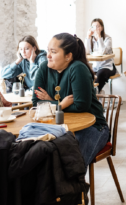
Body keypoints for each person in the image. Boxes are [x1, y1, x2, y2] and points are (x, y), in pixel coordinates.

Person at [32, 33, 109, 166]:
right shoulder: (44, 68)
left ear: (68, 56)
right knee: (37, 154)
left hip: (91, 127)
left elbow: (81, 106)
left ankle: (75, 187)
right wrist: (60, 104)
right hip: (59, 127)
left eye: (53, 52)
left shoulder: (77, 68)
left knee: (72, 164)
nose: (48, 55)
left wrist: (53, 104)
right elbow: (37, 104)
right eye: (48, 50)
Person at [86, 18, 117, 93]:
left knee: (101, 74)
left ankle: (96, 92)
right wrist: (88, 37)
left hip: (108, 66)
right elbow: (87, 52)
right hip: (95, 66)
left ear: (102, 28)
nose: (96, 28)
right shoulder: (91, 39)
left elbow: (103, 52)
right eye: (94, 26)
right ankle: (95, 92)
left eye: (98, 26)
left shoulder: (108, 38)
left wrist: (99, 37)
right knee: (85, 73)